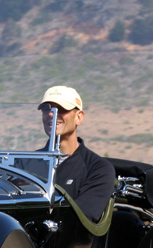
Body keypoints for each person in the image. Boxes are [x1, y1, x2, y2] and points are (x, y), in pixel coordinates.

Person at [38, 85, 115, 224]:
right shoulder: (25, 163)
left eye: (61, 109)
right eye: (46, 109)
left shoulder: (98, 169)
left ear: (79, 117)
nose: (51, 114)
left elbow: (81, 217)